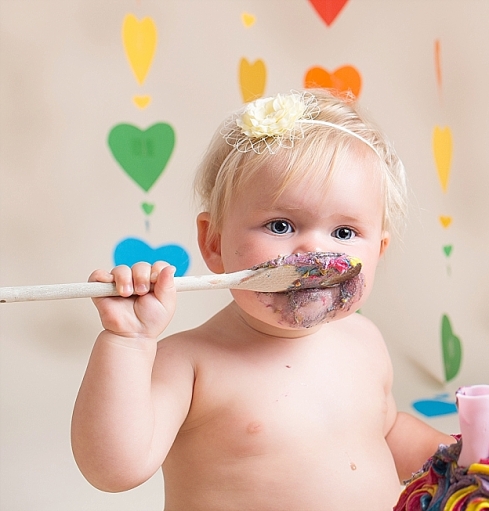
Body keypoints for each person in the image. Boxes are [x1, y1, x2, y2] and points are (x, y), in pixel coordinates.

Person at [71, 89, 454, 511]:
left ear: (377, 251)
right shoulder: (191, 363)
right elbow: (113, 469)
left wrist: (463, 456)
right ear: (214, 243)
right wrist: (128, 342)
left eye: (344, 233)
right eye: (281, 224)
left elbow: (386, 433)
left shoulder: (364, 340)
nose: (313, 250)